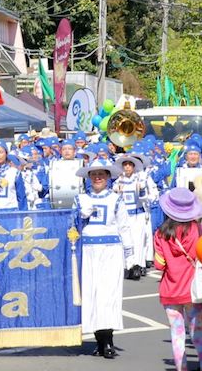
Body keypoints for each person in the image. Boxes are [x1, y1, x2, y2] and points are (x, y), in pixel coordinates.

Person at [74, 158, 134, 359]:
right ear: (89, 177)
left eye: (101, 174)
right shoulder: (80, 198)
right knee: (91, 294)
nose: (97, 177)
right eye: (94, 174)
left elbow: (124, 226)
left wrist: (129, 256)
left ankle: (108, 341)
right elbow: (72, 227)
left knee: (108, 295)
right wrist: (80, 217)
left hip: (110, 250)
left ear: (108, 177)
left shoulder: (116, 199)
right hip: (89, 250)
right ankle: (99, 341)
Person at [154, 187, 202, 371]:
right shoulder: (197, 230)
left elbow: (159, 264)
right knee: (197, 332)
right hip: (193, 290)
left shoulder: (160, 234)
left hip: (170, 290)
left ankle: (181, 367)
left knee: (177, 332)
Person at [114, 154, 159, 279]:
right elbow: (114, 194)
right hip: (124, 215)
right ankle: (126, 266)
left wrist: (142, 190)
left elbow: (149, 196)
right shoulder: (119, 180)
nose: (127, 167)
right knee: (125, 241)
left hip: (138, 213)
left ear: (133, 167)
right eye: (125, 165)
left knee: (138, 241)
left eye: (129, 165)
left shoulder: (140, 178)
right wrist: (117, 190)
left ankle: (138, 265)